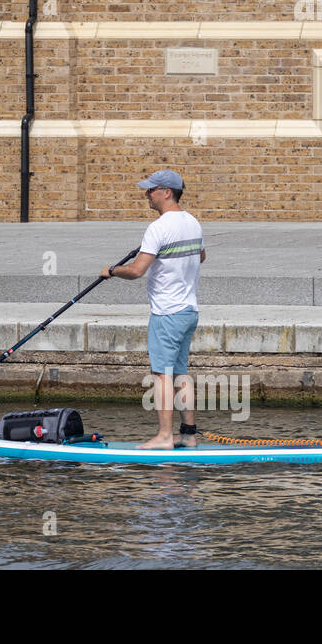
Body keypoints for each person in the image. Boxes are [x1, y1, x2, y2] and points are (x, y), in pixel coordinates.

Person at [100, 170, 206, 449]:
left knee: (162, 375)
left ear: (166, 192)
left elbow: (136, 271)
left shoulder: (158, 227)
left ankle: (164, 437)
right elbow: (201, 256)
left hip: (167, 313)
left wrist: (112, 270)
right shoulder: (192, 222)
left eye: (151, 190)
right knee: (180, 373)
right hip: (189, 311)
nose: (146, 194)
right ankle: (189, 434)